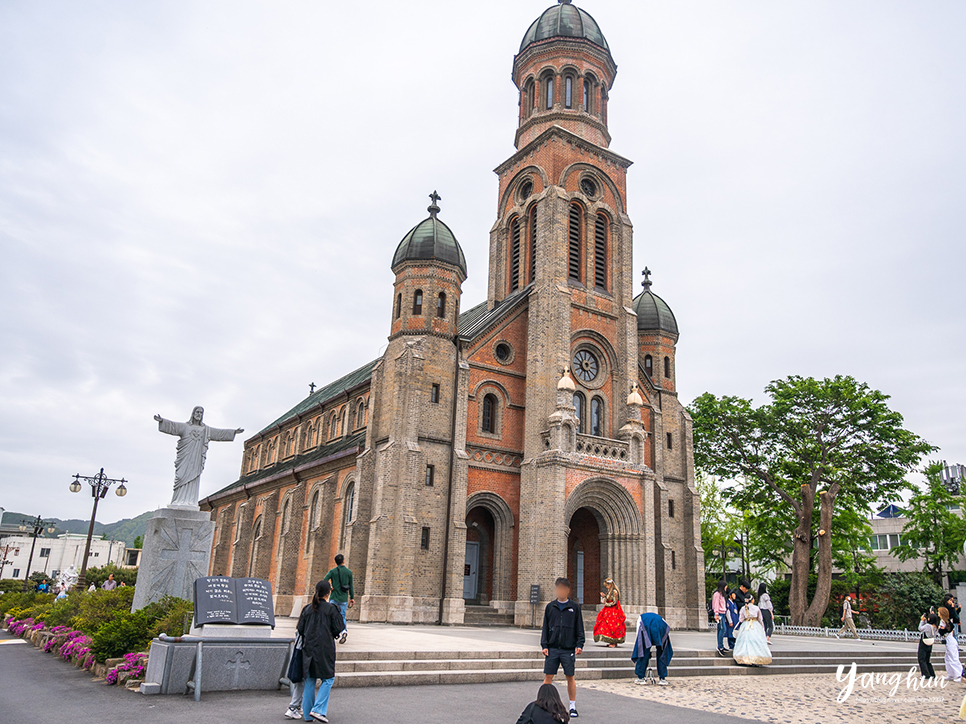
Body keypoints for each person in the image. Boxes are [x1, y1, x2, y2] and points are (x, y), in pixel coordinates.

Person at [297, 580, 344, 723]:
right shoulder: (331, 609)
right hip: (325, 649)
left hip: (309, 648)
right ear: (328, 593)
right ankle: (317, 709)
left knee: (310, 680)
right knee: (328, 679)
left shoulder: (307, 609)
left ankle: (307, 715)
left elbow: (300, 629)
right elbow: (338, 628)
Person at [540, 577, 584, 719]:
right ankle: (543, 704)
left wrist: (579, 644)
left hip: (567, 648)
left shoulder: (574, 607)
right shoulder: (550, 606)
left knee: (570, 676)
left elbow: (579, 627)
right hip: (552, 647)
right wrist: (544, 645)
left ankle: (572, 706)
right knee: (548, 677)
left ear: (567, 590)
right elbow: (545, 627)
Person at [632, 612, 673, 685]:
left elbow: (638, 637)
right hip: (661, 627)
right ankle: (662, 678)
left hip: (647, 626)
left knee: (643, 652)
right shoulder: (660, 619)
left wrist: (646, 648)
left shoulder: (641, 618)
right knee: (662, 652)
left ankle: (641, 678)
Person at [322, 554, 354, 644]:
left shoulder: (332, 571)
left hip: (334, 597)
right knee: (342, 616)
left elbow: (325, 580)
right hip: (343, 598)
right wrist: (352, 597)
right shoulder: (349, 572)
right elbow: (351, 586)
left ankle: (332, 633)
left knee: (331, 616)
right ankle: (344, 631)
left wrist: (330, 588)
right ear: (343, 561)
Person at [732, 594, 772, 666]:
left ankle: (745, 658)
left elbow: (741, 619)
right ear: (752, 600)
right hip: (755, 625)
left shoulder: (743, 608)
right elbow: (760, 619)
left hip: (746, 625)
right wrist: (762, 628)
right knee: (756, 641)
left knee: (745, 642)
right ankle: (756, 658)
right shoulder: (756, 608)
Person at [593, 578, 626, 647]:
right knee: (605, 624)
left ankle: (613, 642)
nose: (606, 587)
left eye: (607, 585)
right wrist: (604, 596)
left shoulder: (614, 592)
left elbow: (614, 602)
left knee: (613, 625)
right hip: (608, 610)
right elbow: (607, 599)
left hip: (612, 610)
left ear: (610, 584)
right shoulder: (609, 592)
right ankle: (611, 641)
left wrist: (607, 604)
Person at [938, 606, 962, 682]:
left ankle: (959, 675)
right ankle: (950, 674)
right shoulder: (946, 621)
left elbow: (943, 631)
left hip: (950, 640)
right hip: (949, 640)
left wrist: (940, 629)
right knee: (948, 658)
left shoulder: (945, 622)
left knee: (953, 658)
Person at [918, 612, 939, 680]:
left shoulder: (927, 626)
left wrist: (922, 621)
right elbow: (928, 625)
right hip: (930, 643)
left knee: (922, 659)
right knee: (927, 659)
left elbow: (920, 628)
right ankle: (931, 674)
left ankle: (926, 675)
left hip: (924, 643)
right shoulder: (936, 626)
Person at [711, 580, 729, 655]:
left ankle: (721, 645)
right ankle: (720, 646)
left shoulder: (722, 595)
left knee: (721, 629)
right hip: (719, 614)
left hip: (723, 613)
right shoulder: (717, 594)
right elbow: (716, 605)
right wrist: (716, 614)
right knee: (722, 629)